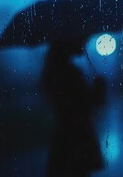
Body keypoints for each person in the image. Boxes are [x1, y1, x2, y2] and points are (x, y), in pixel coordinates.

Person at [41, 37, 105, 177]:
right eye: (79, 40)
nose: (83, 43)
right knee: (78, 171)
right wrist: (99, 88)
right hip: (77, 137)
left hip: (63, 135)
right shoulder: (69, 73)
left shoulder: (52, 71)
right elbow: (86, 103)